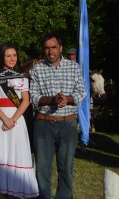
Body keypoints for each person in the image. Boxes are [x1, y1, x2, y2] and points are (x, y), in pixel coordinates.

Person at [29, 33, 86, 199]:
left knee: (66, 168)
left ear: (60, 48)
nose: (50, 51)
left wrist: (67, 99)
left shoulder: (73, 67)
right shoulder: (37, 69)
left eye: (53, 47)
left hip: (68, 123)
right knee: (42, 169)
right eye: (46, 48)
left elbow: (81, 92)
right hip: (44, 124)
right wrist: (52, 100)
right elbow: (34, 97)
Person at [0, 43, 38, 198]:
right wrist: (5, 119)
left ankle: (15, 193)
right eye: (8, 56)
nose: (12, 59)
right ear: (2, 57)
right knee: (0, 155)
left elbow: (26, 101)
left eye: (14, 55)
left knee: (16, 156)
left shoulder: (22, 77)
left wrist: (13, 119)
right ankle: (0, 194)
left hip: (17, 121)